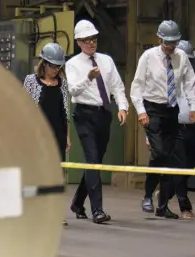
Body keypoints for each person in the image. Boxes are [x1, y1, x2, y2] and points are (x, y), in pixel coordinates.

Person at [131, 20, 195, 219]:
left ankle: (162, 206)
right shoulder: (148, 57)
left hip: (171, 109)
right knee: (159, 152)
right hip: (152, 109)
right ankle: (147, 195)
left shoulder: (181, 57)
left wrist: (193, 107)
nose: (171, 47)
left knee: (169, 158)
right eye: (168, 42)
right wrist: (141, 111)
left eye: (174, 43)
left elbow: (189, 83)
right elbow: (137, 86)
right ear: (159, 39)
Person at [144, 40, 195, 219]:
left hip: (191, 129)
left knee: (187, 167)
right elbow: (156, 108)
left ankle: (163, 198)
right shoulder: (167, 78)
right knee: (176, 167)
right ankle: (184, 206)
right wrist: (152, 134)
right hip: (172, 128)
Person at [65, 19, 128, 224]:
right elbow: (73, 90)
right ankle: (98, 210)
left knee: (95, 163)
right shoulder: (73, 64)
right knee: (92, 160)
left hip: (104, 114)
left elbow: (117, 86)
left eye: (93, 39)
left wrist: (123, 107)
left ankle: (77, 202)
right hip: (84, 115)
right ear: (79, 42)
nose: (91, 43)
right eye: (86, 40)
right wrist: (89, 78)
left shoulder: (107, 61)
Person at [23, 43, 70, 226]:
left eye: (59, 67)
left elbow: (65, 111)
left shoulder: (62, 84)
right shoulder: (30, 81)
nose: (55, 70)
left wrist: (67, 137)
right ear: (44, 64)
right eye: (52, 66)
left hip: (57, 132)